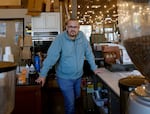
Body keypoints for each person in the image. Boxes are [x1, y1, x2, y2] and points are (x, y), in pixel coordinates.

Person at [35, 18, 102, 114]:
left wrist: (94, 68)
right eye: (70, 26)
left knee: (77, 97)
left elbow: (89, 53)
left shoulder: (82, 37)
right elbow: (51, 58)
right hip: (64, 78)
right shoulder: (60, 39)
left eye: (75, 27)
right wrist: (43, 75)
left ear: (79, 28)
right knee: (70, 102)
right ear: (66, 27)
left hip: (78, 76)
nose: (73, 29)